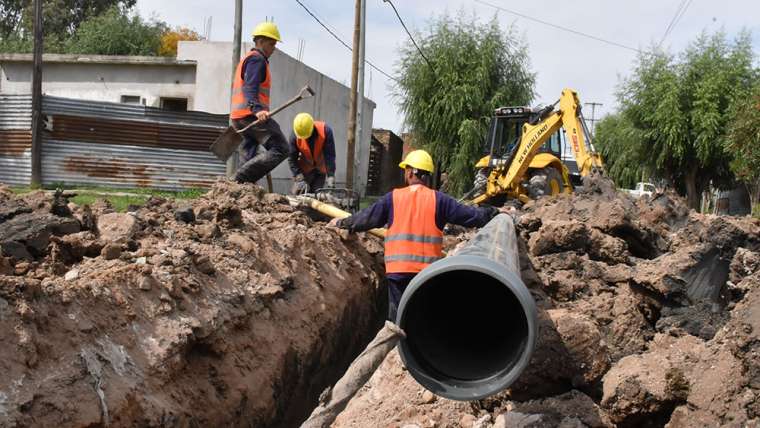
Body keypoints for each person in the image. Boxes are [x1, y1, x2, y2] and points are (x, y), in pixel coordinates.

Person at [329, 150, 504, 320]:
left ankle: (398, 347)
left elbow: (366, 218)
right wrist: (494, 213)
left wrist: (342, 223)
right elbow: (470, 216)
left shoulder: (393, 198)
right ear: (427, 175)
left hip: (398, 272)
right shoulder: (439, 200)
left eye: (406, 169)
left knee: (398, 319)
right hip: (427, 274)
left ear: (411, 172)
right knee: (423, 317)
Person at [230, 22, 289, 184]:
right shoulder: (257, 60)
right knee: (281, 148)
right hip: (250, 116)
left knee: (248, 156)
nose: (274, 48)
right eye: (271, 44)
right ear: (260, 41)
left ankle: (240, 189)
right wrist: (257, 109)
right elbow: (250, 86)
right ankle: (239, 180)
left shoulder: (249, 59)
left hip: (239, 117)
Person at [289, 113, 337, 194]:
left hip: (320, 170)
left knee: (316, 196)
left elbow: (329, 156)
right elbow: (291, 158)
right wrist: (299, 177)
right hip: (304, 170)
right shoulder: (294, 136)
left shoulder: (325, 131)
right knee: (297, 195)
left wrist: (331, 175)